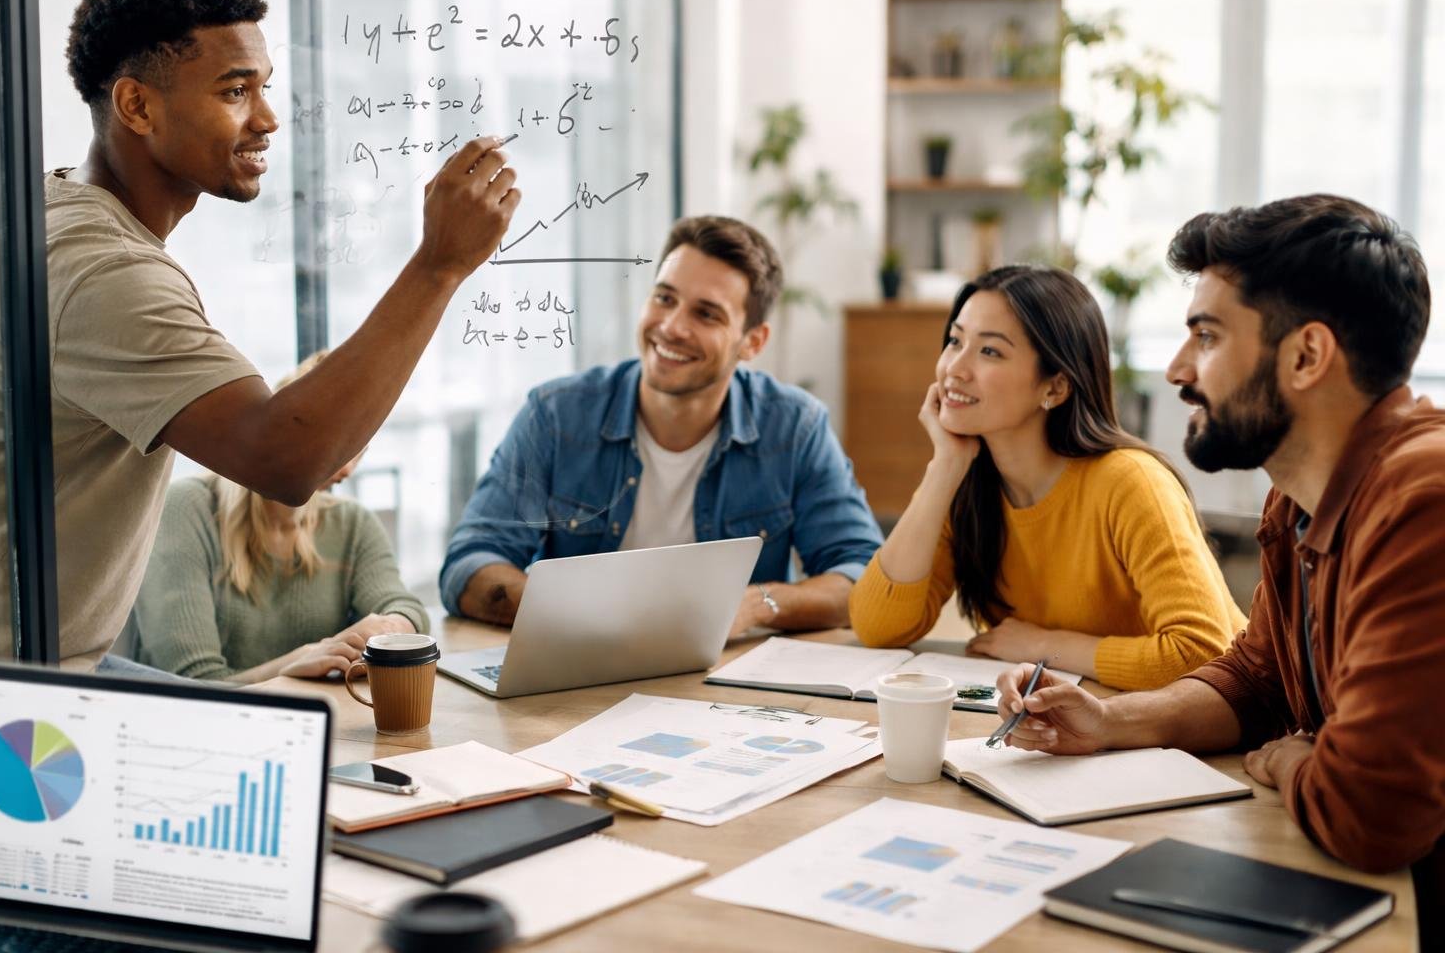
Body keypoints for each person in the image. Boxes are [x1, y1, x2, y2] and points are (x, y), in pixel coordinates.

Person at [0, 0, 518, 835]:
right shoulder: (97, 266)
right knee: (242, 834)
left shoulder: (49, 212)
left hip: (35, 670)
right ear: (137, 105)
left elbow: (252, 428)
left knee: (274, 765)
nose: (268, 117)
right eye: (236, 90)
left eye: (264, 86)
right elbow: (285, 457)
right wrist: (440, 264)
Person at [992, 195, 1444, 936]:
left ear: (1306, 356)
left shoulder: (1423, 497)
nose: (1177, 369)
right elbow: (1258, 680)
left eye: (1205, 336)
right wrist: (1109, 721)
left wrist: (1294, 762)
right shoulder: (1298, 498)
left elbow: (1373, 815)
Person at [440, 215, 882, 636]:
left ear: (752, 341)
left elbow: (861, 578)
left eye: (706, 314)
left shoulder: (795, 428)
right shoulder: (555, 415)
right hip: (579, 676)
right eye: (664, 298)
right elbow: (471, 562)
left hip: (725, 687)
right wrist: (576, 613)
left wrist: (752, 605)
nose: (671, 327)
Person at [850, 265, 1245, 690]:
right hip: (1086, 723)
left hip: (1213, 733)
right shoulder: (966, 482)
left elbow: (1202, 653)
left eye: (990, 352)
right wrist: (943, 468)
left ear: (1054, 388)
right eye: (955, 341)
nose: (954, 369)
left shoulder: (1131, 482)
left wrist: (1044, 646)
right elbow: (878, 628)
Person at [131, 352, 428, 683]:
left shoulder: (352, 523)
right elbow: (194, 683)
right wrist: (295, 665)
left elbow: (406, 608)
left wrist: (389, 627)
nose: (345, 469)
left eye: (359, 445)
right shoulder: (186, 509)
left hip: (310, 721)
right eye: (333, 443)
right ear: (290, 431)